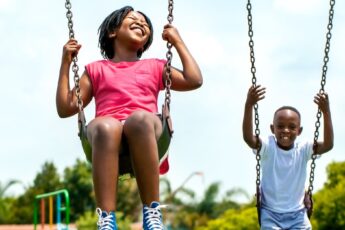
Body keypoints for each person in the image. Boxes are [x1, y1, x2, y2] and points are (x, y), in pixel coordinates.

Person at [56, 6, 202, 230]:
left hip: (146, 129)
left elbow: (194, 80)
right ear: (113, 31)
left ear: (145, 42)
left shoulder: (155, 66)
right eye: (133, 19)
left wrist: (178, 42)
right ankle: (106, 218)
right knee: (106, 126)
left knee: (139, 120)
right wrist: (66, 63)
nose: (141, 23)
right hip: (107, 134)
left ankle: (152, 212)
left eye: (145, 24)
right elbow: (65, 108)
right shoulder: (96, 70)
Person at [242, 85, 333, 229]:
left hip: (297, 214)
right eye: (280, 126)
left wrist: (326, 111)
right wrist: (249, 105)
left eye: (292, 127)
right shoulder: (268, 146)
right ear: (273, 129)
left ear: (299, 130)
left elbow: (328, 145)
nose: (286, 130)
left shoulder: (303, 149)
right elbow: (249, 139)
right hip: (270, 214)